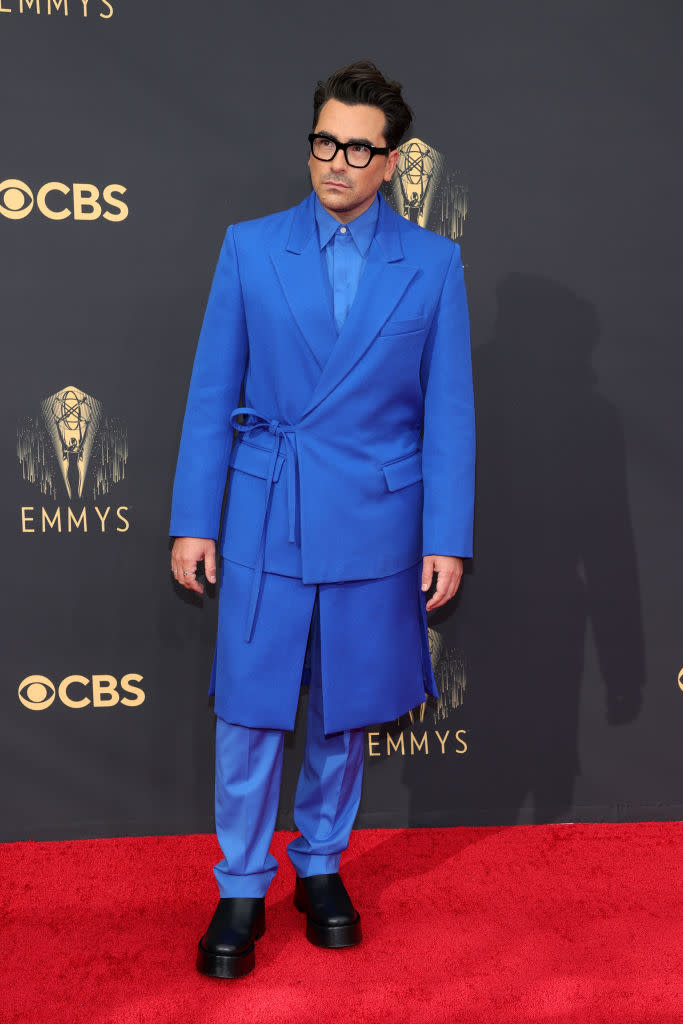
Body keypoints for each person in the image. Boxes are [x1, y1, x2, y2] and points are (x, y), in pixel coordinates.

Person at [169, 59, 475, 979]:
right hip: (266, 502)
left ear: (390, 161)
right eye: (323, 142)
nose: (336, 162)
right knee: (252, 709)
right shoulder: (250, 247)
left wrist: (445, 536)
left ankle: (321, 867)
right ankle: (240, 884)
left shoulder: (432, 263)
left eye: (358, 148)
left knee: (345, 710)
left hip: (375, 518)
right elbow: (211, 390)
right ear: (309, 144)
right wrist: (195, 519)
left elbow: (447, 412)